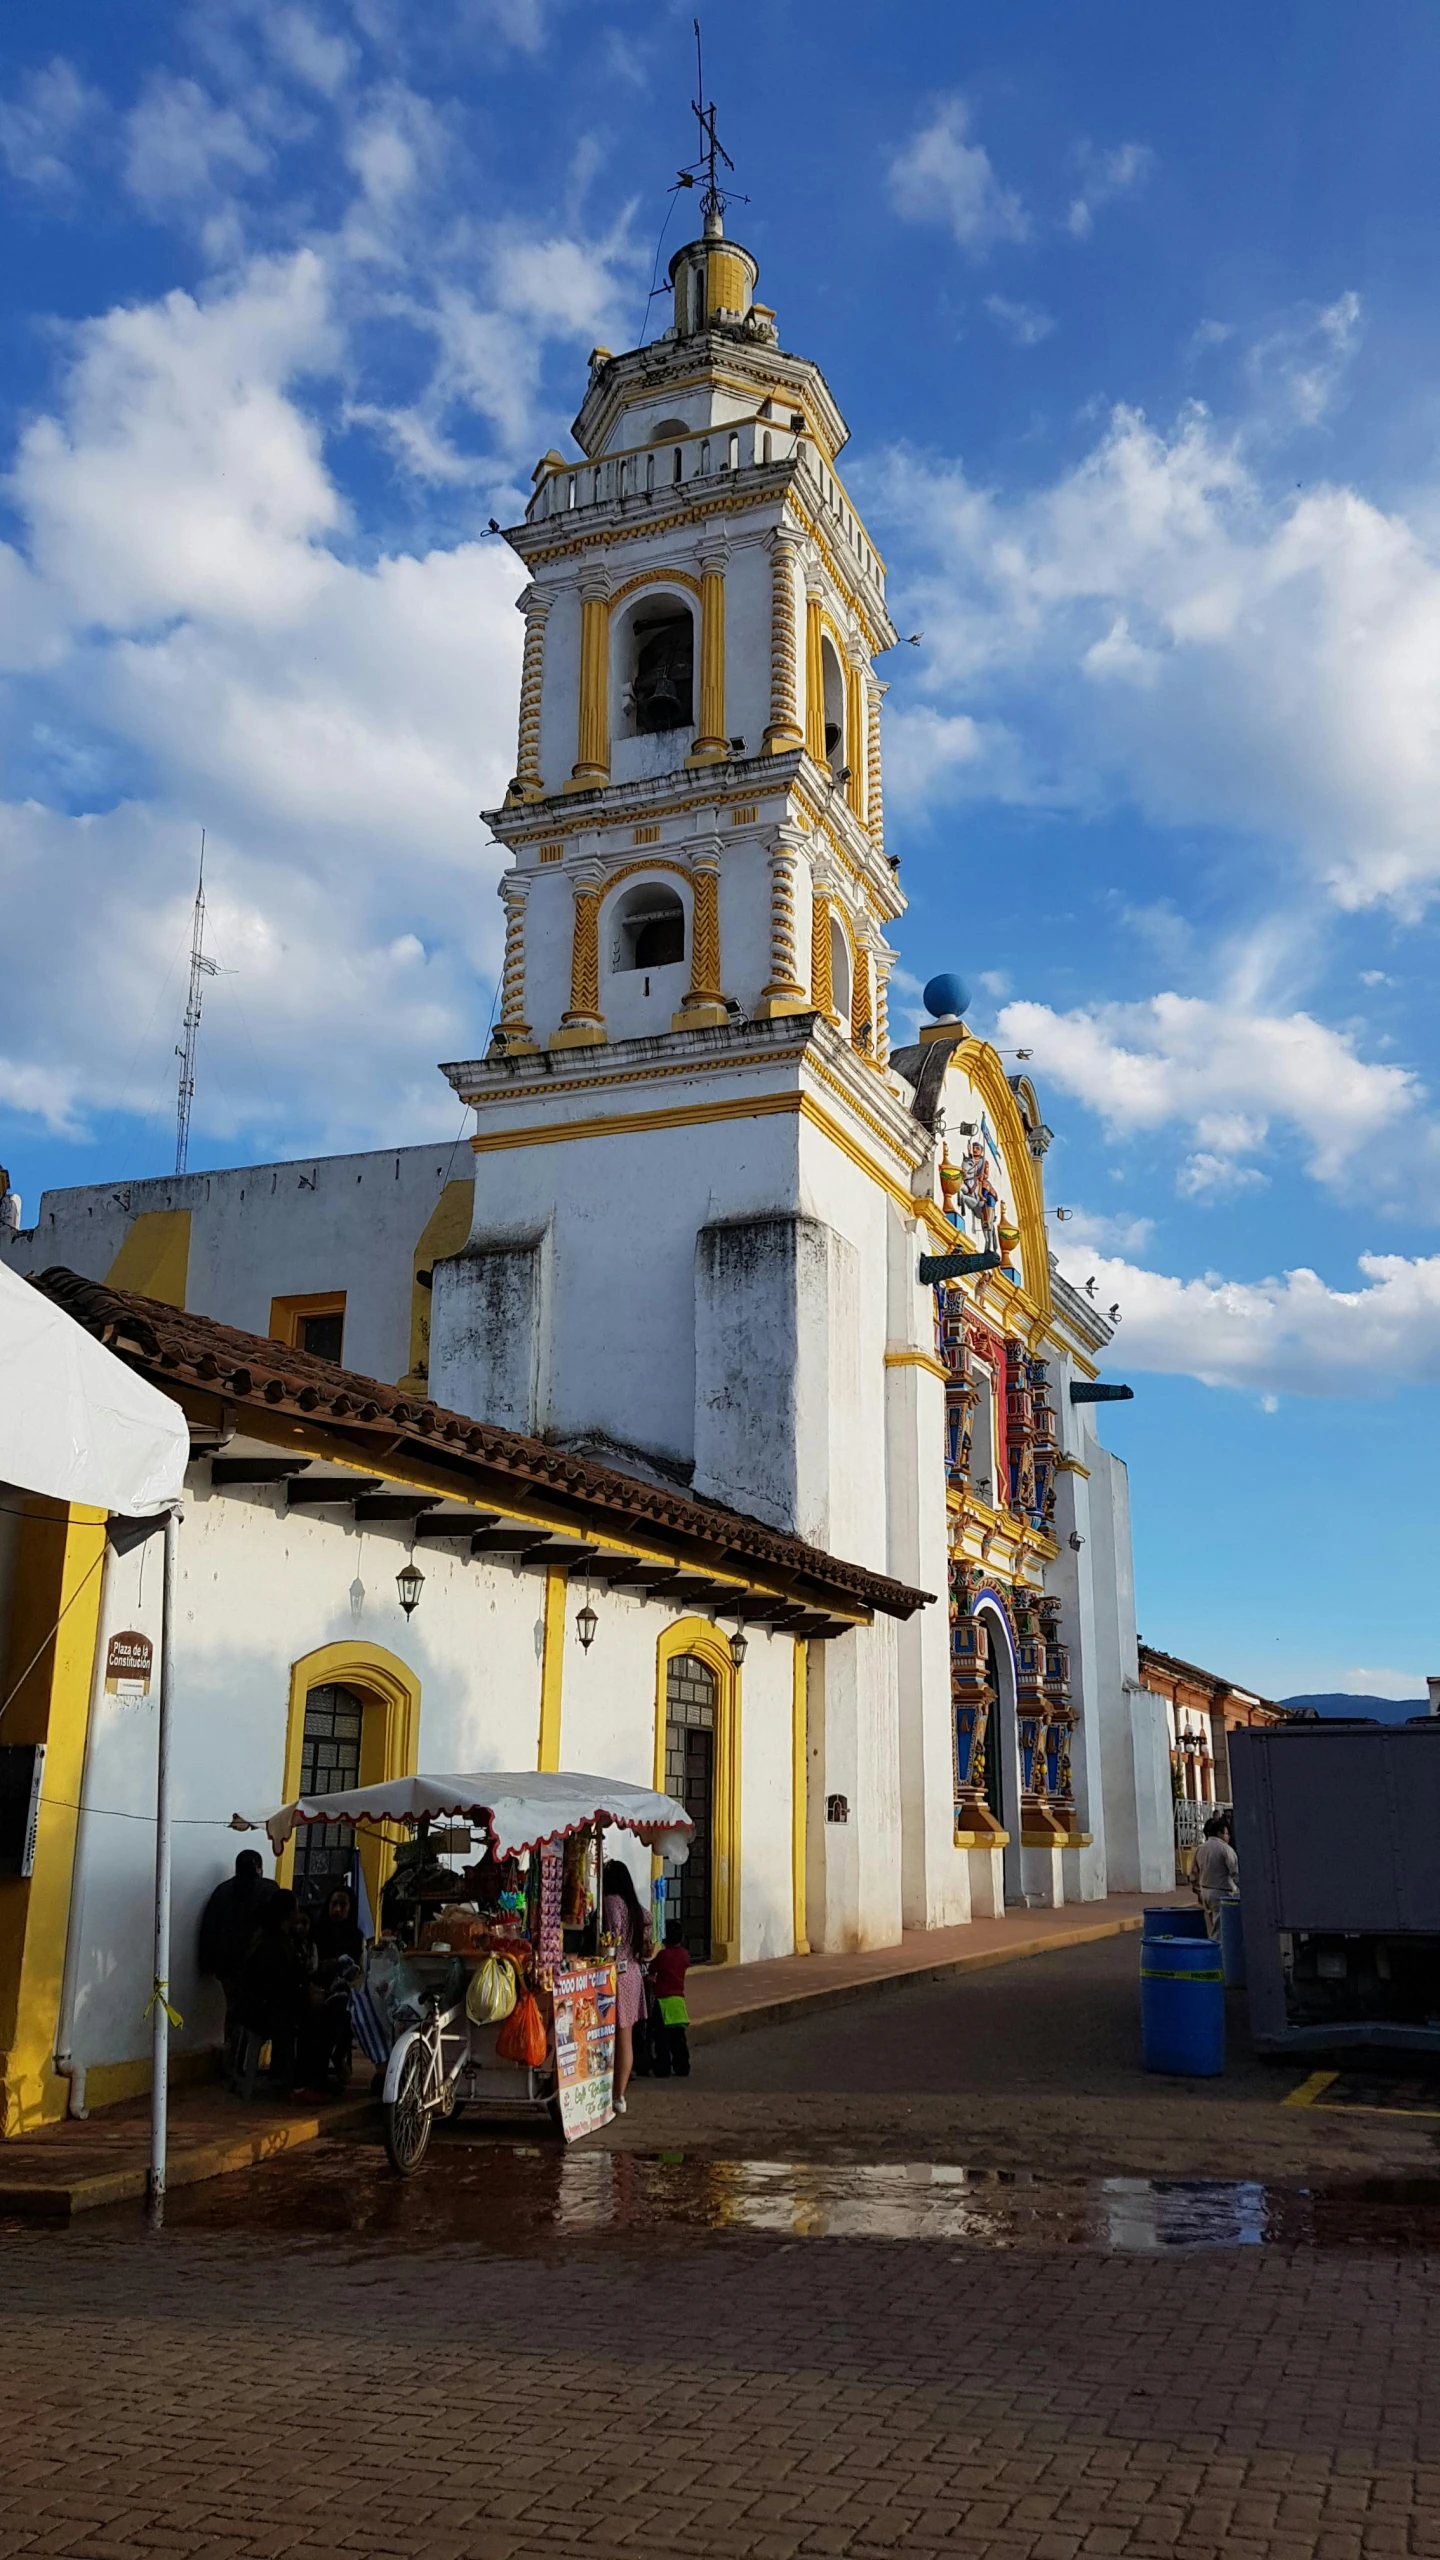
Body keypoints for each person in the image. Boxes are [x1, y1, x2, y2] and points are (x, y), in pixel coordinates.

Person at [197, 1850, 277, 2053]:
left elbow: (209, 1928)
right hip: (261, 1967)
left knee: (234, 2010)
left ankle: (233, 2059)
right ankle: (248, 2058)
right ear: (259, 1868)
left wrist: (207, 1966)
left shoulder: (222, 1891)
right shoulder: (269, 1889)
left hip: (228, 1968)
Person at [232, 1888, 310, 2087]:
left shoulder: (265, 1936)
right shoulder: (276, 1944)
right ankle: (301, 2080)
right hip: (263, 2012)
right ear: (291, 1913)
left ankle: (282, 2073)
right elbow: (283, 1985)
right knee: (313, 2022)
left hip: (252, 2008)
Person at [301, 1884, 365, 2088]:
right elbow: (308, 1968)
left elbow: (360, 1969)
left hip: (344, 1992)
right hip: (315, 1992)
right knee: (329, 2016)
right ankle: (318, 2075)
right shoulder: (316, 1932)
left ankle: (338, 2056)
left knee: (351, 2014)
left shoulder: (355, 1936)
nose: (337, 1910)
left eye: (343, 1905)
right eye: (334, 1904)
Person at [601, 1858, 650, 2114]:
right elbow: (648, 1945)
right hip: (633, 1973)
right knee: (625, 2037)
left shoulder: (611, 1903)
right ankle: (619, 2095)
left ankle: (613, 2092)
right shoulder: (638, 1910)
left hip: (615, 1973)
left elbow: (610, 1938)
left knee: (609, 2035)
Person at [647, 1922, 691, 2079]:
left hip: (663, 2000)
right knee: (679, 2037)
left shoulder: (663, 1955)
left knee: (661, 2038)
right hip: (678, 2000)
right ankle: (682, 2066)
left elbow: (652, 1968)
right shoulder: (684, 1955)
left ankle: (663, 2068)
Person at [1193, 1814, 1239, 1938]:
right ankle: (1217, 1953)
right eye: (1226, 1833)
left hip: (1205, 1890)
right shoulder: (1226, 1850)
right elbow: (1235, 1873)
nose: (1228, 1837)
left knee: (1213, 1924)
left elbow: (1194, 1872)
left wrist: (1197, 1891)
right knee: (1220, 1930)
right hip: (1221, 1892)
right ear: (1220, 1833)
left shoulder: (1200, 1848)